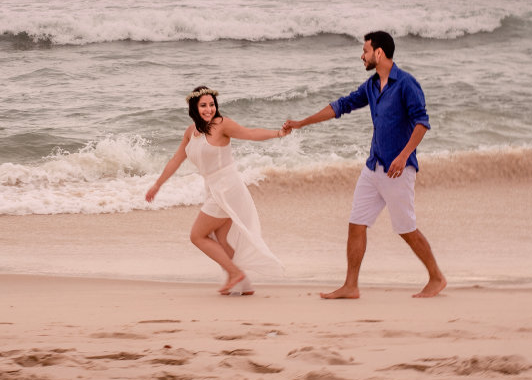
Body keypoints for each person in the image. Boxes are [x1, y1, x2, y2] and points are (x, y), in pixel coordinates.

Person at [284, 31, 446, 299]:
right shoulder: (371, 86)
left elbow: (422, 122)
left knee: (406, 229)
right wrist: (301, 122)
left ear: (379, 53)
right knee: (356, 223)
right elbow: (341, 106)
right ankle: (351, 286)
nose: (362, 56)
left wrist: (404, 155)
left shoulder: (407, 84)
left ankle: (437, 277)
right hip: (373, 167)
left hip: (398, 170)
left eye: (365, 51)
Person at [146, 86, 287, 295]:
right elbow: (176, 160)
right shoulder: (190, 131)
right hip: (214, 188)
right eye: (203, 105)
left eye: (212, 105)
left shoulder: (222, 124)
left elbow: (250, 133)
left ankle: (235, 274)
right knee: (223, 240)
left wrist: (278, 133)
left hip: (227, 186)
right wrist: (157, 184)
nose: (209, 109)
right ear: (194, 107)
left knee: (197, 236)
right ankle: (244, 284)